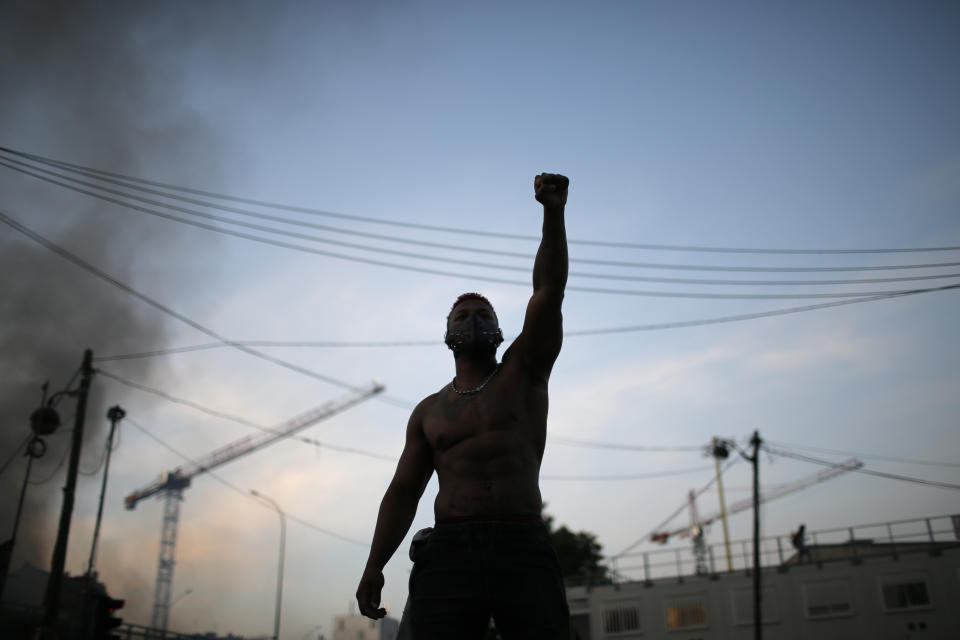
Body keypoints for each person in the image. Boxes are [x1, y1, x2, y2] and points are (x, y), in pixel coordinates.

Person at [356, 173, 571, 639]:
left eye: (484, 315)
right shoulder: (429, 411)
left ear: (499, 331)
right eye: (462, 315)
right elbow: (403, 491)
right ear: (447, 335)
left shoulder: (523, 372)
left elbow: (548, 292)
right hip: (449, 548)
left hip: (521, 542)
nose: (474, 319)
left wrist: (553, 213)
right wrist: (375, 565)